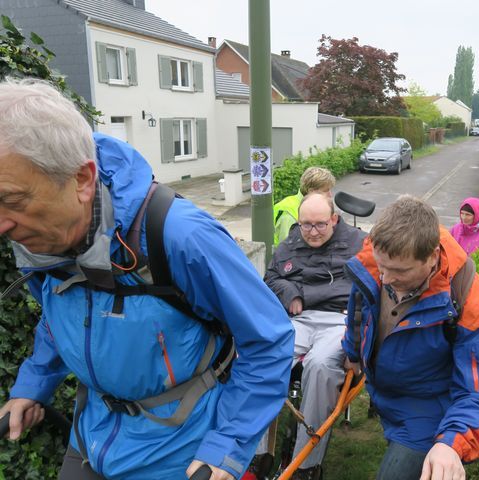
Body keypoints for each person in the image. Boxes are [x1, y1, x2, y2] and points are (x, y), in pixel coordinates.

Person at [0, 78, 295, 480]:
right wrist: (32, 384)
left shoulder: (181, 237)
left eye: (12, 201)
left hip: (181, 453)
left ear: (83, 181)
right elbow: (58, 315)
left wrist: (227, 445)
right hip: (91, 437)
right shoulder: (37, 238)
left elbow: (269, 339)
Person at [342, 195, 479, 480]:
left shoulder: (471, 302)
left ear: (432, 256)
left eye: (400, 271)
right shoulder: (377, 259)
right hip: (384, 395)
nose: (385, 278)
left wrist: (450, 443)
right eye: (382, 267)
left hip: (429, 410)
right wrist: (353, 352)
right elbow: (358, 309)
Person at [261, 193, 367, 479]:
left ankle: (306, 464)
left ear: (334, 219)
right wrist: (291, 293)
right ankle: (257, 452)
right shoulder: (290, 244)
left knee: (320, 366)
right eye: (306, 225)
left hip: (340, 320)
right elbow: (271, 278)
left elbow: (375, 287)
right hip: (301, 318)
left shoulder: (360, 243)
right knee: (266, 358)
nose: (312, 232)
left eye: (320, 225)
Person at [273, 167, 336, 246]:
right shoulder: (289, 215)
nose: (330, 195)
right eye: (326, 191)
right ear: (311, 192)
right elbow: (288, 249)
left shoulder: (315, 206)